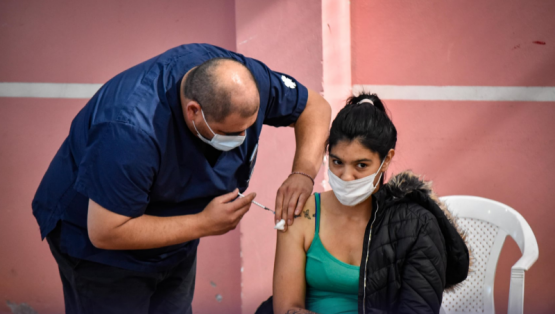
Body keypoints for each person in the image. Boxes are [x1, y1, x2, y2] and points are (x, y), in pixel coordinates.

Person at [32, 43, 331, 313]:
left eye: (248, 128)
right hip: (102, 254)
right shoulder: (129, 131)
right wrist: (204, 223)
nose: (242, 140)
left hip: (175, 245)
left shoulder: (246, 80)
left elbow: (314, 107)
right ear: (194, 111)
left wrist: (303, 173)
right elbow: (106, 231)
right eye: (229, 133)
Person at [272, 93, 469, 314]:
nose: (346, 176)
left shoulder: (417, 225)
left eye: (361, 165)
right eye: (337, 162)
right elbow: (287, 309)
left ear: (386, 160)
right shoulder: (302, 211)